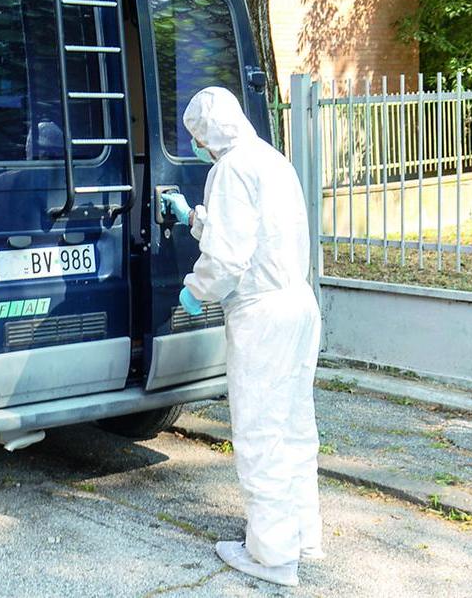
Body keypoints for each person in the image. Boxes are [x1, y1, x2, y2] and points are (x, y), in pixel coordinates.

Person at [160, 87, 323, 588]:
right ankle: (301, 535)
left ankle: (271, 555)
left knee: (260, 432)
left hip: (262, 315)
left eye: (196, 137)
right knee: (295, 426)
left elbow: (229, 259)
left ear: (207, 133)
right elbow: (253, 233)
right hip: (297, 302)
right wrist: (194, 218)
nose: (198, 146)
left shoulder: (229, 171)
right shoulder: (270, 160)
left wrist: (194, 290)